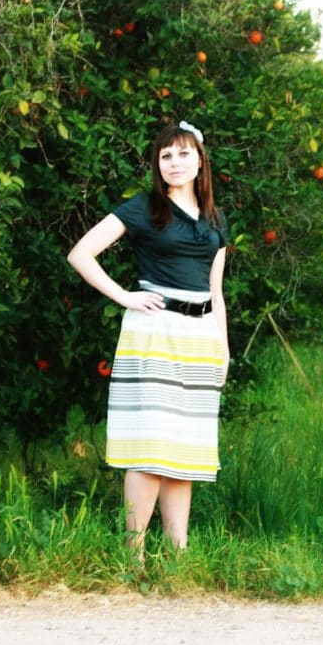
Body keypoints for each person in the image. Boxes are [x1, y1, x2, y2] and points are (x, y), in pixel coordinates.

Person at [67, 121, 230, 560]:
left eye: (183, 154)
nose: (175, 163)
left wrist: (223, 347)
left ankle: (179, 557)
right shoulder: (143, 208)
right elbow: (81, 253)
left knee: (185, 447)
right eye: (166, 156)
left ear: (200, 160)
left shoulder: (215, 219)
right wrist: (125, 296)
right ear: (158, 166)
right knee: (150, 443)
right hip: (154, 331)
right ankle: (133, 556)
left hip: (200, 336)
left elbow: (216, 291)